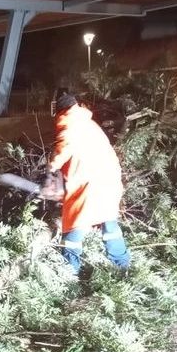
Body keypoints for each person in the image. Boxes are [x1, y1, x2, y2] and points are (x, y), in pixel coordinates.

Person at [49, 92, 130, 273]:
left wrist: (51, 168)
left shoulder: (69, 121)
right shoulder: (87, 122)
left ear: (60, 109)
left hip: (88, 184)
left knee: (74, 225)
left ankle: (70, 271)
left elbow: (64, 147)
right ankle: (122, 265)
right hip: (108, 179)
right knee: (109, 221)